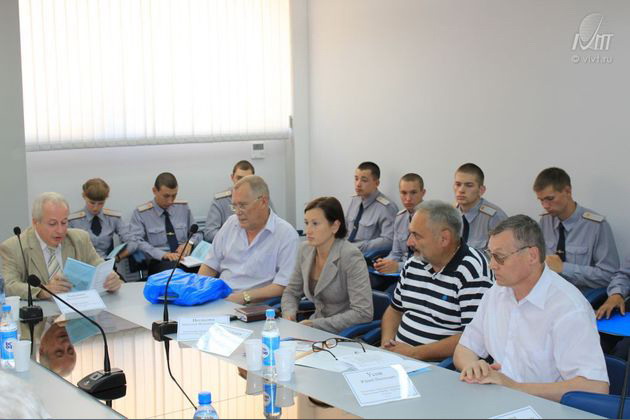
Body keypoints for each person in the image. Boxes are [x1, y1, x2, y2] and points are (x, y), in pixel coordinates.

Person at [454, 215, 609, 402]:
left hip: (545, 407)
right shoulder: (497, 292)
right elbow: (464, 348)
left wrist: (515, 387)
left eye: (500, 257)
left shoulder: (568, 307)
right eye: (490, 254)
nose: (491, 265)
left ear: (532, 256)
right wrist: (473, 366)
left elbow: (595, 387)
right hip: (497, 399)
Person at [380, 200, 493, 361]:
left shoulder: (473, 272)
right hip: (399, 358)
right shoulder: (414, 263)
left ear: (444, 238)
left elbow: (472, 337)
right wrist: (386, 345)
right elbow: (395, 310)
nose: (409, 242)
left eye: (416, 235)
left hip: (437, 366)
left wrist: (415, 353)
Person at [0, 192, 123, 299]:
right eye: (52, 224)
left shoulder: (80, 239)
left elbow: (99, 267)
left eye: (64, 222)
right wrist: (44, 291)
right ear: (35, 222)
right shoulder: (13, 247)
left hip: (78, 311)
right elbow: (8, 285)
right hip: (41, 316)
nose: (60, 230)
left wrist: (111, 279)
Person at [199, 176, 298, 304]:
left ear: (263, 202)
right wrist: (198, 293)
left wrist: (244, 297)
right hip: (220, 299)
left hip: (256, 306)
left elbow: (283, 285)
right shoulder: (231, 224)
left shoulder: (286, 234)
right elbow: (209, 265)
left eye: (243, 205)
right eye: (234, 206)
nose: (238, 212)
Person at [281, 197, 373, 334]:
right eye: (306, 223)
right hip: (313, 329)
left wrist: (315, 325)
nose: (308, 231)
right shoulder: (305, 249)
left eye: (315, 224)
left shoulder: (350, 256)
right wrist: (289, 314)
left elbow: (363, 313)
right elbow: (291, 292)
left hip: (344, 334)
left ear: (335, 226)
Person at [533, 167, 619, 292]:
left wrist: (563, 268)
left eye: (550, 199)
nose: (545, 206)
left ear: (567, 191)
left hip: (582, 295)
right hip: (550, 293)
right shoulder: (545, 221)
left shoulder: (596, 226)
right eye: (541, 200)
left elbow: (609, 275)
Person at [129, 172, 202, 275]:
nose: (170, 201)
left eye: (174, 196)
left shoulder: (183, 208)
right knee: (176, 274)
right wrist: (163, 254)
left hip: (185, 259)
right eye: (166, 196)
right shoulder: (141, 213)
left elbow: (198, 233)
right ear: (154, 191)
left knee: (208, 271)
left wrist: (189, 243)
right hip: (160, 261)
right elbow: (136, 242)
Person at [371, 173, 426, 292]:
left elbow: (427, 261)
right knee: (364, 283)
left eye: (413, 192)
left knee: (388, 295)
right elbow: (396, 253)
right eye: (404, 193)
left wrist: (398, 267)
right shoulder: (400, 217)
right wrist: (384, 263)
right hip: (397, 273)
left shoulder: (431, 219)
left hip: (419, 277)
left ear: (423, 193)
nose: (408, 198)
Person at [68, 178, 136, 260]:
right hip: (83, 264)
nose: (95, 208)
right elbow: (66, 248)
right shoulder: (73, 221)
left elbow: (133, 242)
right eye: (92, 203)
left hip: (106, 263)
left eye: (101, 203)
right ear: (84, 196)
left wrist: (117, 258)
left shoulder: (113, 218)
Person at [345, 161, 398, 255]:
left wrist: (356, 247)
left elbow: (389, 241)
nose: (358, 184)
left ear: (376, 183)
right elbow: (345, 229)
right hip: (346, 252)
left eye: (364, 180)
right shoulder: (354, 200)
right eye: (356, 179)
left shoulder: (386, 207)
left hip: (365, 256)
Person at [453, 163, 507, 251]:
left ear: (481, 190)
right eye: (458, 184)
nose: (461, 190)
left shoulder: (494, 217)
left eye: (469, 185)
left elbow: (503, 254)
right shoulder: (449, 214)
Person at [203, 160, 255, 242]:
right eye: (239, 178)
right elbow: (209, 233)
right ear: (232, 177)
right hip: (228, 247)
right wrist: (235, 240)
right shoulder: (220, 201)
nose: (242, 183)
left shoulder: (261, 199)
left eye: (247, 179)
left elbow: (273, 225)